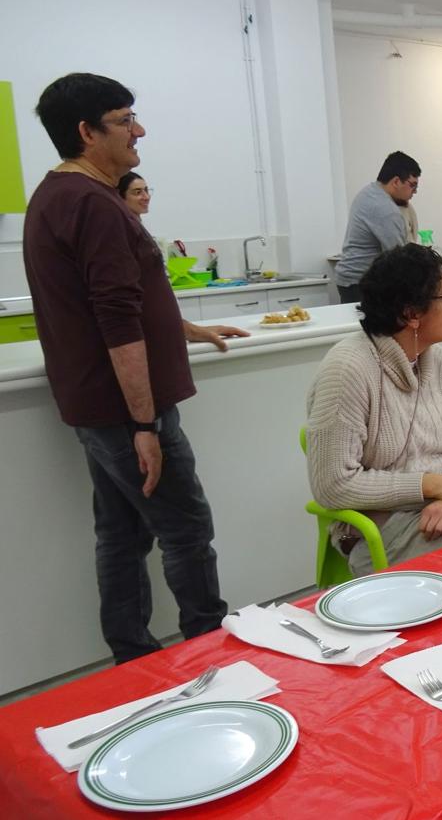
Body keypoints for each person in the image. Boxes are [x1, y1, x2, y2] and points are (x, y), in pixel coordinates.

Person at [22, 73, 249, 664]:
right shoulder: (93, 205)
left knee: (122, 534)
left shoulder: (57, 195)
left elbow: (123, 301)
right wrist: (144, 424)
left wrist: (188, 328)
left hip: (96, 408)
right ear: (85, 132)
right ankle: (210, 652)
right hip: (125, 413)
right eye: (125, 120)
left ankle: (133, 661)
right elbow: (116, 322)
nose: (139, 129)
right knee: (185, 529)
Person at [306, 243, 442, 576]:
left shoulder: (439, 361)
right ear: (411, 314)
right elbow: (332, 485)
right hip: (383, 533)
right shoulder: (347, 370)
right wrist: (430, 485)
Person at [337, 151, 421, 304]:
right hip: (360, 284)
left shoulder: (369, 191)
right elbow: (398, 260)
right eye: (412, 185)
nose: (415, 191)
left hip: (351, 281)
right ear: (396, 181)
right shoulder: (385, 210)